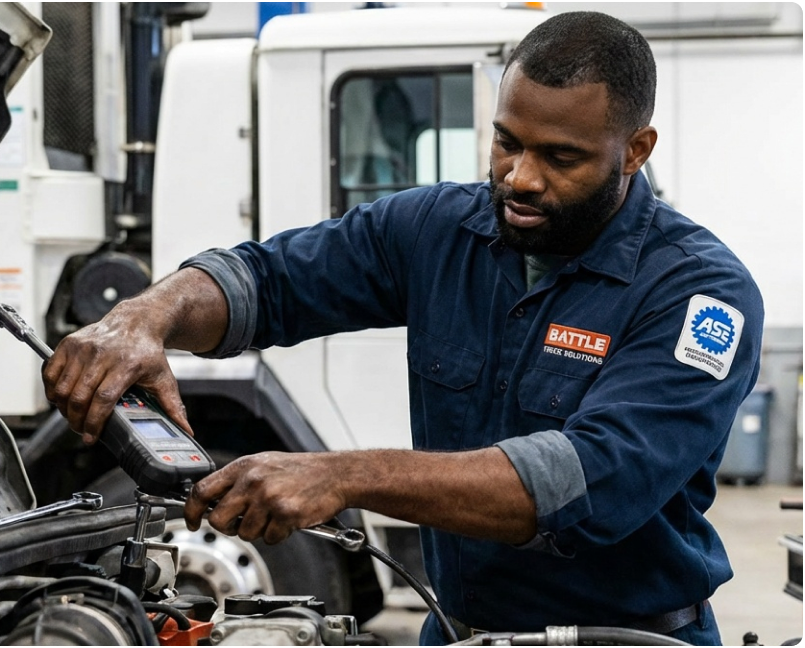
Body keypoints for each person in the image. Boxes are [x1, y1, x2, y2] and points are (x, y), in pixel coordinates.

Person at [42, 11, 763, 646]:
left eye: (560, 157)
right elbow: (268, 281)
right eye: (507, 141)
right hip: (457, 631)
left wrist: (345, 475)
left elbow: (589, 479)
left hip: (622, 641)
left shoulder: (699, 294)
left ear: (635, 151)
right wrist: (147, 315)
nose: (519, 178)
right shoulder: (438, 229)